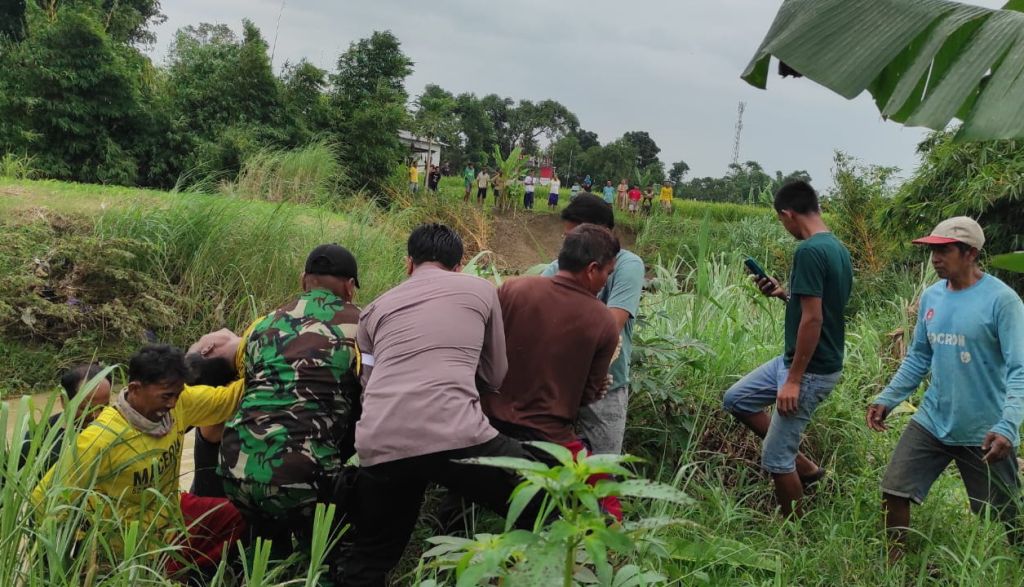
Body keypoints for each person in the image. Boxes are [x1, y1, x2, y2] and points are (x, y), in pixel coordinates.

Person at [340, 224, 539, 586]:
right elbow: (496, 374)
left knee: (372, 554)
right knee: (542, 498)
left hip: (380, 439)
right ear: (459, 265)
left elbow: (368, 387)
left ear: (408, 264)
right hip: (458, 433)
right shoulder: (480, 290)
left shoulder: (374, 310)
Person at [866, 217, 1024, 562]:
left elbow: (1019, 370)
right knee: (895, 489)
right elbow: (919, 356)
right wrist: (888, 398)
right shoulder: (932, 297)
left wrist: (1007, 425)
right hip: (933, 420)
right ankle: (894, 567)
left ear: (970, 253)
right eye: (932, 251)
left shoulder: (1003, 301)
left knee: (1006, 516)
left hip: (985, 430)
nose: (935, 258)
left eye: (944, 250)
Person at [32, 344, 246, 580]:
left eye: (177, 394)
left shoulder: (179, 402)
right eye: (166, 396)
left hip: (171, 514)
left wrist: (277, 357)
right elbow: (43, 500)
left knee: (242, 514)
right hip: (128, 543)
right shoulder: (100, 438)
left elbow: (230, 399)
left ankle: (187, 574)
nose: (173, 403)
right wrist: (65, 560)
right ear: (135, 388)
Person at [218, 244, 362, 578]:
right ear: (350, 286)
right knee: (336, 549)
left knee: (268, 543)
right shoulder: (363, 326)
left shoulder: (263, 325)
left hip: (235, 470)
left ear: (303, 280)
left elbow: (252, 386)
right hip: (304, 479)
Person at [722, 180, 852, 517]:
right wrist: (783, 295)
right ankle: (806, 467)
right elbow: (816, 306)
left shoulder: (808, 251)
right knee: (736, 399)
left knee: (775, 458)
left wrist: (793, 380)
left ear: (788, 214)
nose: (786, 227)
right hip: (799, 360)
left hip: (808, 370)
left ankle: (792, 532)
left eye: (782, 221)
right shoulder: (837, 248)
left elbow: (813, 320)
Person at [484, 224, 622, 517]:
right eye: (607, 274)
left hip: (486, 422)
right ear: (592, 269)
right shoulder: (603, 321)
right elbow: (587, 396)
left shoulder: (512, 288)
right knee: (607, 501)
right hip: (548, 437)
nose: (604, 282)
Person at [541, 195, 645, 457]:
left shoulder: (628, 265)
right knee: (548, 467)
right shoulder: (557, 267)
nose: (569, 246)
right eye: (567, 239)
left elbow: (610, 326)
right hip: (558, 384)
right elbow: (537, 314)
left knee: (601, 471)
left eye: (575, 237)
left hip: (606, 384)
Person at [20, 364, 112, 469]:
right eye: (88, 408)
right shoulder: (33, 443)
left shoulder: (118, 431)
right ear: (65, 401)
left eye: (104, 406)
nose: (97, 415)